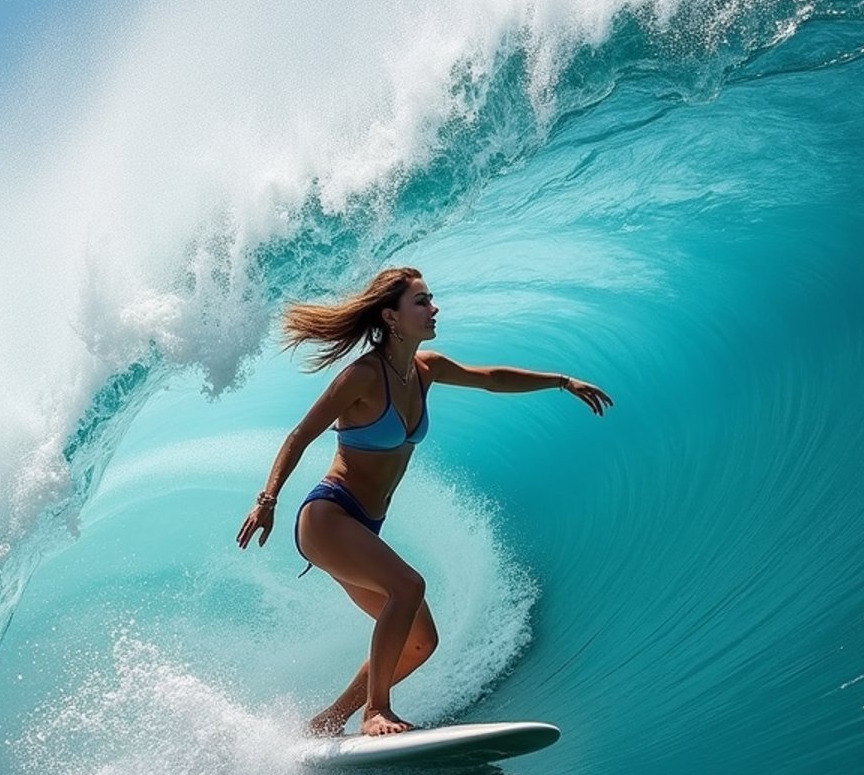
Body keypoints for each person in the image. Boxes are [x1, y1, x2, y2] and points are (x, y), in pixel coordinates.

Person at [236, 266, 613, 737]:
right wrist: (267, 499)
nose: (434, 309)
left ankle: (329, 721)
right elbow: (300, 435)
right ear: (391, 316)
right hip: (328, 517)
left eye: (431, 299)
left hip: (363, 526)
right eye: (422, 301)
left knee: (420, 642)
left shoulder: (425, 369)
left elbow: (489, 378)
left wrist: (561, 380)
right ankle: (376, 711)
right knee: (409, 587)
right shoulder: (362, 376)